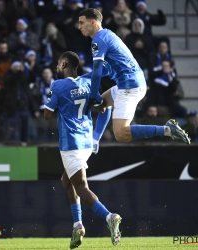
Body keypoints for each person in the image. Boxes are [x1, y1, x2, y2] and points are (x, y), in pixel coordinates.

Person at [77, 8, 191, 153]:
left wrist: (93, 95)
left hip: (129, 87)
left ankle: (167, 129)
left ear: (93, 22)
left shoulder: (98, 41)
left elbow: (98, 73)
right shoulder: (108, 35)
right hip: (132, 83)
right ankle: (94, 141)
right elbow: (105, 70)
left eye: (82, 23)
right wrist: (80, 79)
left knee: (120, 134)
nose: (79, 26)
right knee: (103, 104)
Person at [44, 51, 122, 248]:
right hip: (87, 142)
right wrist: (96, 136)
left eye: (58, 63)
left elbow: (46, 115)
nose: (56, 66)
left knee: (81, 187)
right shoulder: (88, 82)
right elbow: (105, 107)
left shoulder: (58, 86)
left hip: (71, 145)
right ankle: (77, 224)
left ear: (64, 64)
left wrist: (53, 98)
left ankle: (109, 217)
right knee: (66, 181)